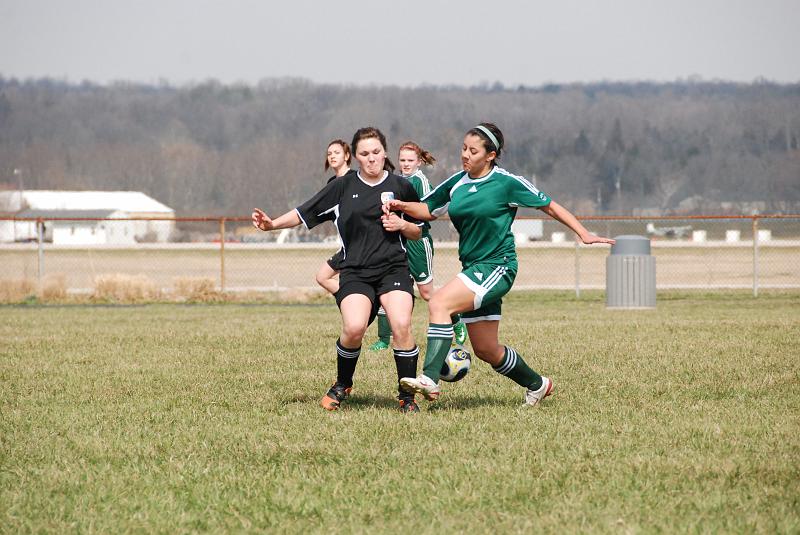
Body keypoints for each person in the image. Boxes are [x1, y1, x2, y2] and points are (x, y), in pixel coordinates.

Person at [383, 122, 615, 407]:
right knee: (486, 349)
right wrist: (400, 207)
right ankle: (538, 384)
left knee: (439, 302)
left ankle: (430, 379)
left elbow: (550, 205)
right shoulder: (457, 182)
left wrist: (583, 233)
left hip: (498, 266)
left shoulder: (506, 183)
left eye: (473, 150)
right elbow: (428, 209)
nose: (465, 155)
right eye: (463, 148)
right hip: (473, 268)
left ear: (490, 155)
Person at [252, 127, 424, 412]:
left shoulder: (401, 186)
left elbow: (419, 230)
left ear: (385, 152)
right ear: (355, 157)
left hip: (394, 269)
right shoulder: (343, 186)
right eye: (365, 154)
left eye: (377, 152)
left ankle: (407, 396)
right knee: (354, 328)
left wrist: (403, 225)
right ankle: (343, 383)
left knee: (401, 326)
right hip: (355, 270)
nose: (372, 159)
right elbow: (302, 212)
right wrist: (272, 225)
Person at [369, 141, 467, 351]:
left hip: (417, 241)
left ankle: (456, 320)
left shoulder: (419, 181)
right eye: (402, 160)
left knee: (426, 293)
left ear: (419, 162)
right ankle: (384, 339)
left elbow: (423, 213)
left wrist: (403, 219)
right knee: (387, 287)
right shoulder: (397, 180)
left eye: (410, 160)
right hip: (397, 241)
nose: (405, 164)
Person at [314, 139, 352, 295]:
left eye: (337, 153)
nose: (332, 156)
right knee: (322, 277)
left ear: (347, 155)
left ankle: (353, 300)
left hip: (358, 247)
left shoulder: (354, 179)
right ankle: (348, 297)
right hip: (345, 247)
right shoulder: (331, 183)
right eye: (329, 154)